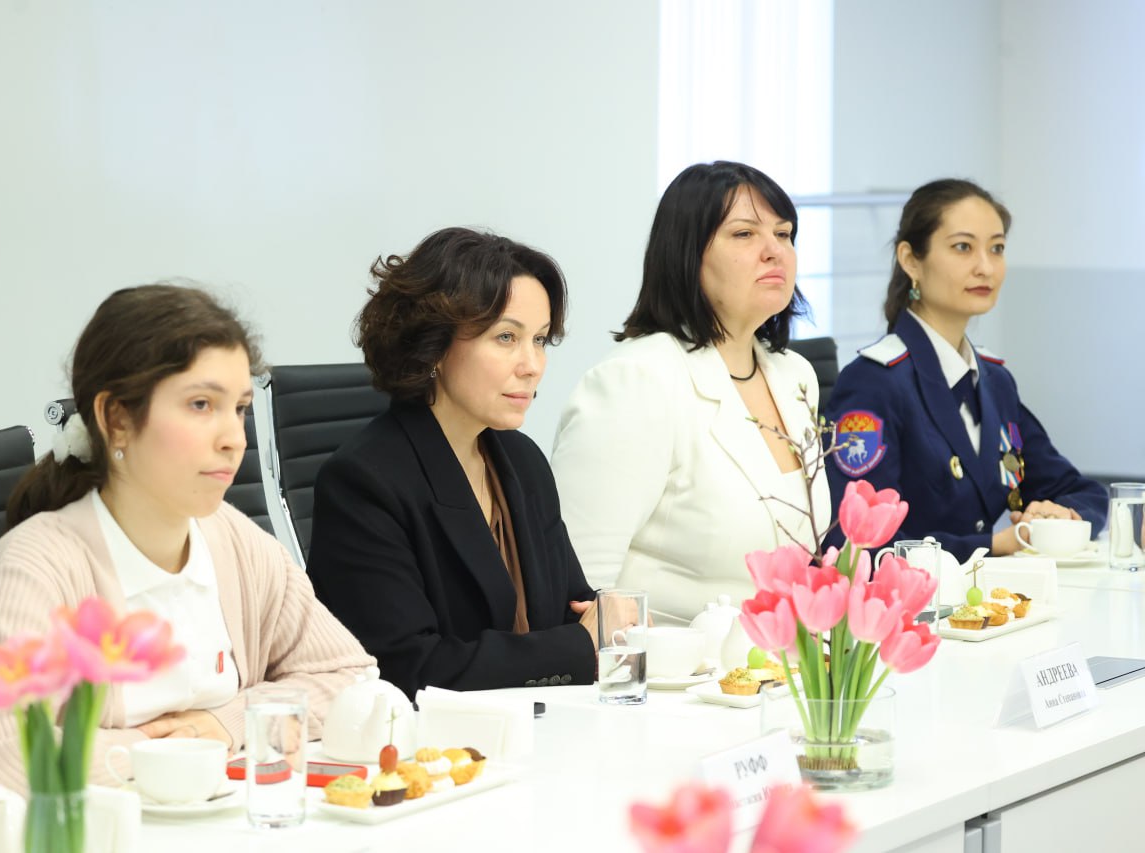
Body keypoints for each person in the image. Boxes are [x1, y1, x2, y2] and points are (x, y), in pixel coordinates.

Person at [0, 284, 374, 824]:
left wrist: (223, 723)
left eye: (239, 409)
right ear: (115, 419)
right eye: (201, 405)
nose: (234, 438)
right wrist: (164, 753)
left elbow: (351, 678)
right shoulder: (39, 562)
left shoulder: (235, 540)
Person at [308, 227, 601, 699]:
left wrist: (610, 621)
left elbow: (572, 610)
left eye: (540, 340)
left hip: (540, 725)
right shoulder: (364, 482)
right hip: (429, 739)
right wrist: (581, 646)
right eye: (506, 337)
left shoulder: (522, 459)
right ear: (435, 344)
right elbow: (407, 667)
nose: (532, 364)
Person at [550, 161, 828, 626]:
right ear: (686, 254)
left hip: (778, 658)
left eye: (784, 234)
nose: (774, 251)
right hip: (672, 665)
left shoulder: (794, 375)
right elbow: (577, 590)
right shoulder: (636, 381)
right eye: (744, 234)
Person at [824, 179, 1106, 561]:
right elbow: (852, 546)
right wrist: (990, 545)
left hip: (984, 594)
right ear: (911, 260)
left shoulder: (994, 381)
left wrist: (1060, 517)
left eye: (997, 248)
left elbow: (1082, 492)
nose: (985, 267)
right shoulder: (874, 383)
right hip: (913, 598)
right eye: (963, 247)